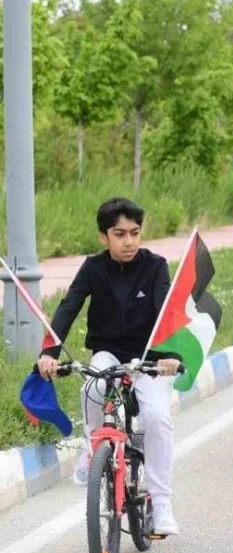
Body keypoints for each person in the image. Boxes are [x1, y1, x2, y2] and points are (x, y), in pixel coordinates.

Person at [37, 198, 184, 535]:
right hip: (108, 353)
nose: (129, 241)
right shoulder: (92, 268)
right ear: (104, 237)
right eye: (120, 234)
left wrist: (170, 356)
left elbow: (167, 310)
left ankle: (161, 505)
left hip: (149, 359)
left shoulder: (155, 265)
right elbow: (68, 306)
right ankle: (93, 448)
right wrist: (50, 352)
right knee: (92, 386)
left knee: (158, 418)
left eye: (135, 233)